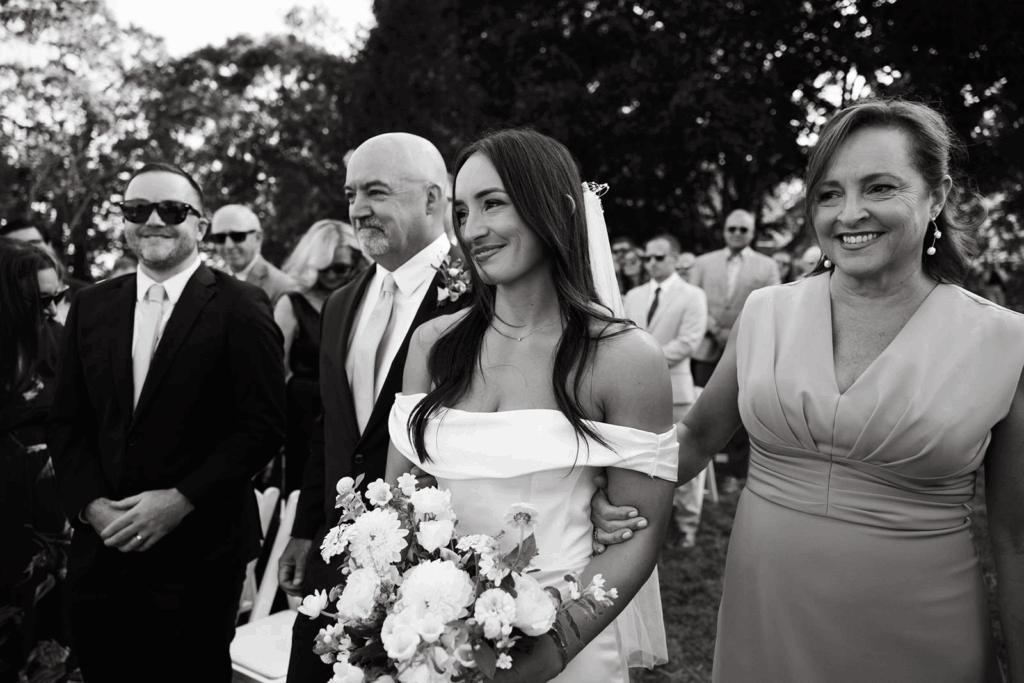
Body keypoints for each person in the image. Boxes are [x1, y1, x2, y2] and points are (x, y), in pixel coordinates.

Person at [599, 99, 1024, 682]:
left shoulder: (1005, 343)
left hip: (920, 634)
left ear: (939, 196)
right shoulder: (766, 311)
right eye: (828, 194)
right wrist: (603, 491)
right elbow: (696, 436)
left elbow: (1016, 540)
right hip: (766, 620)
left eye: (879, 188)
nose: (849, 214)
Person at [386, 129, 678, 682]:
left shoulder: (624, 357)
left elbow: (637, 538)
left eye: (493, 203)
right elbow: (398, 508)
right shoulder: (433, 345)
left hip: (567, 637)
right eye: (462, 210)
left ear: (559, 209)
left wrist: (552, 650)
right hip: (434, 643)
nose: (472, 229)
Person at [45, 162, 287, 682]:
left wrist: (179, 500)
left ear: (199, 224)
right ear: (125, 221)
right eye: (137, 210)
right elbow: (66, 419)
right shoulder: (91, 305)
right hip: (102, 554)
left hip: (199, 558)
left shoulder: (242, 306)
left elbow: (263, 425)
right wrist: (89, 505)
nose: (153, 220)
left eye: (172, 210)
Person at [281, 133, 465, 680]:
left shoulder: (482, 295)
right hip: (338, 555)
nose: (358, 209)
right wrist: (304, 527)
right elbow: (330, 425)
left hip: (439, 564)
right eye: (350, 193)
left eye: (376, 192)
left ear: (432, 200)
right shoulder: (341, 303)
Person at [0, 237, 78, 681]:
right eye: (39, 301)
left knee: (50, 648)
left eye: (58, 297)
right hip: (4, 527)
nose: (51, 310)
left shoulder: (60, 342)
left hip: (56, 533)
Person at [624, 234, 707, 549]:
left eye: (658, 257)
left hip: (676, 389)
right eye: (647, 257)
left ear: (675, 258)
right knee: (642, 460)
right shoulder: (633, 295)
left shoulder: (692, 295)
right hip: (635, 391)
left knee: (682, 459)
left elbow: (688, 342)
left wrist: (643, 358)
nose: (651, 263)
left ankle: (687, 526)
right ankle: (647, 526)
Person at [689, 209, 779, 493]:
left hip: (746, 347)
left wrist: (736, 333)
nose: (737, 234)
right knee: (701, 405)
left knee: (741, 410)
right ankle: (703, 470)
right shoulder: (703, 263)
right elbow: (693, 300)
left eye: (743, 229)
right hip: (705, 345)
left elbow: (771, 305)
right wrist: (714, 328)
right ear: (724, 230)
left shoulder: (767, 266)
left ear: (752, 232)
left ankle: (734, 473)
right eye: (732, 229)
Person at [273, 218, 366, 493]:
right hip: (302, 412)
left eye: (341, 268)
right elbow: (276, 372)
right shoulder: (291, 304)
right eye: (324, 267)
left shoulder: (359, 301)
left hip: (346, 410)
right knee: (302, 490)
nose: (333, 275)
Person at [209, 204, 298, 305]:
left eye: (238, 236)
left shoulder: (283, 287)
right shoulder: (212, 283)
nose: (228, 245)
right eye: (219, 238)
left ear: (258, 238)